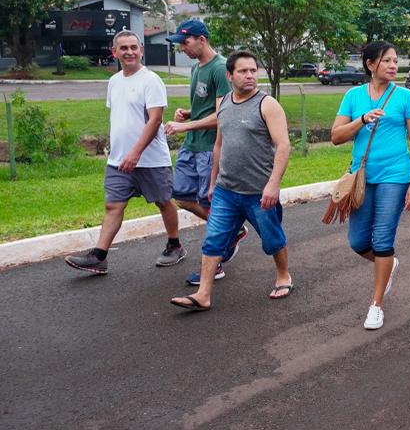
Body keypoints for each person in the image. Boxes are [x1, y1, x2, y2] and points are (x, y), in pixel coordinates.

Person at [169, 50, 293, 311]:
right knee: (213, 239)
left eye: (253, 70)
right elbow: (218, 145)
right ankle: (203, 294)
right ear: (230, 75)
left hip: (258, 191)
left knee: (271, 239)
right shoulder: (224, 102)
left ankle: (283, 275)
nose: (250, 75)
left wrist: (273, 184)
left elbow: (283, 146)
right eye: (243, 71)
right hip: (227, 190)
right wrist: (213, 182)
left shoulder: (267, 104)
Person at [65, 31, 181, 274]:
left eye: (133, 47)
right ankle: (99, 256)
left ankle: (175, 245)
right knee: (113, 206)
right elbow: (120, 117)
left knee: (163, 201)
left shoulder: (151, 80)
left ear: (141, 50)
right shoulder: (114, 81)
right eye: (123, 48)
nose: (129, 52)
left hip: (150, 160)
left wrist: (135, 153)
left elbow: (155, 120)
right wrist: (118, 150)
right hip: (118, 160)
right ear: (114, 51)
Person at [331, 41, 410, 330]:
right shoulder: (353, 96)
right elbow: (336, 136)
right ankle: (388, 264)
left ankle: (376, 304)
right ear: (371, 65)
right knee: (358, 241)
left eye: (396, 61)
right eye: (387, 61)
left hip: (395, 176)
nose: (394, 66)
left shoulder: (406, 97)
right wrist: (361, 119)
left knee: (383, 241)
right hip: (361, 177)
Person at [163, 20, 248, 285]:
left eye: (185, 42)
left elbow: (223, 115)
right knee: (181, 196)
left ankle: (217, 260)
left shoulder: (220, 68)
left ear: (201, 39)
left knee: (210, 202)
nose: (182, 48)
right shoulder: (196, 68)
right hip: (192, 143)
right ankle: (232, 230)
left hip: (210, 147)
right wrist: (189, 112)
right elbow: (206, 106)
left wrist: (184, 124)